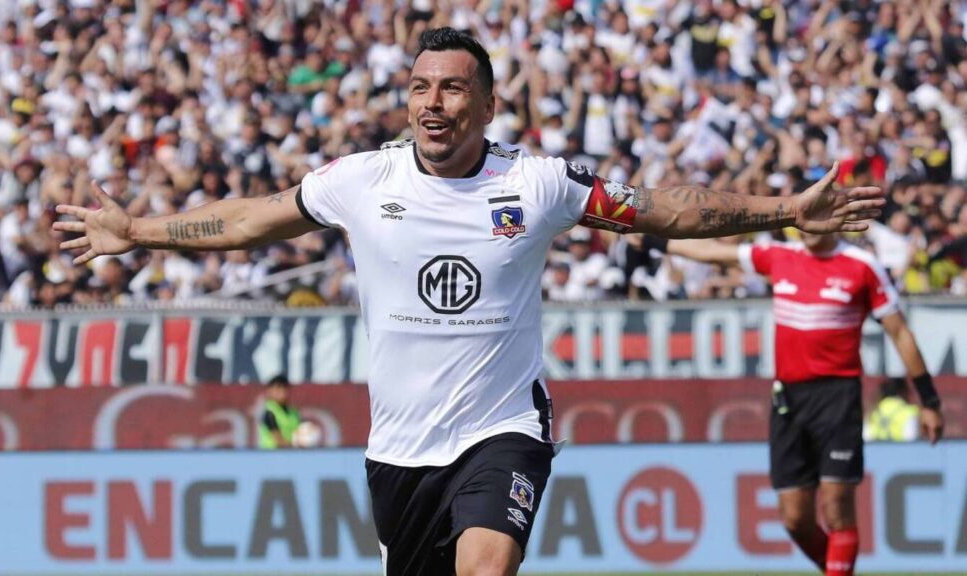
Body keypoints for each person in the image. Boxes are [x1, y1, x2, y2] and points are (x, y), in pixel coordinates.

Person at [54, 27, 885, 576]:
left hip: (502, 431)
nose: (433, 104)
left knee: (487, 567)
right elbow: (248, 220)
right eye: (420, 88)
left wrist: (786, 209)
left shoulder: (540, 182)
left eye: (452, 90)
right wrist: (140, 232)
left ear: (487, 105)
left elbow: (665, 211)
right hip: (399, 449)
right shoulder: (360, 180)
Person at [664, 231, 943, 576]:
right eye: (804, 217)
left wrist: (929, 399)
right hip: (788, 399)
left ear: (835, 218)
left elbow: (899, 332)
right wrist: (651, 236)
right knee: (794, 518)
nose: (809, 225)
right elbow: (711, 251)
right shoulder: (780, 256)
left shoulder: (862, 265)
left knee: (836, 506)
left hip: (837, 396)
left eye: (818, 214)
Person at [864, 377, 921, 442]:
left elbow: (866, 437)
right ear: (903, 391)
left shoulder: (872, 411)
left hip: (875, 448)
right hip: (900, 448)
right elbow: (911, 438)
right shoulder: (910, 412)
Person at [258, 374, 302, 449]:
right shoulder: (269, 412)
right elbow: (278, 440)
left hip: (291, 453)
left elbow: (301, 432)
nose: (282, 391)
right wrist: (294, 447)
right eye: (278, 388)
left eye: (284, 388)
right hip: (271, 453)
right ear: (269, 391)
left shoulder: (294, 412)